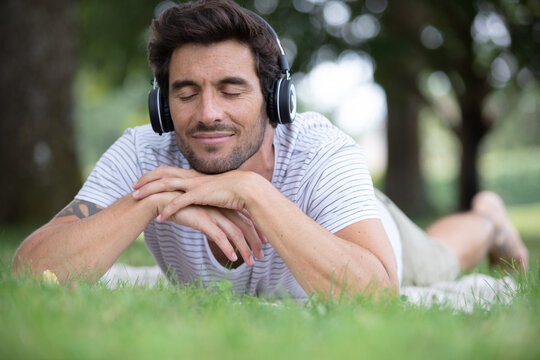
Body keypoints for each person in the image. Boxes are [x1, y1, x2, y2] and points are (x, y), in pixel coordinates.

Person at [12, 0, 528, 298]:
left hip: (370, 229)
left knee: (440, 259)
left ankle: (489, 219)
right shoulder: (145, 154)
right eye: (186, 92)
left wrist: (252, 193)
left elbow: (374, 294)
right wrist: (151, 198)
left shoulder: (322, 150)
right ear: (162, 105)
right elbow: (33, 272)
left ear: (275, 98)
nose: (208, 113)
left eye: (232, 90)